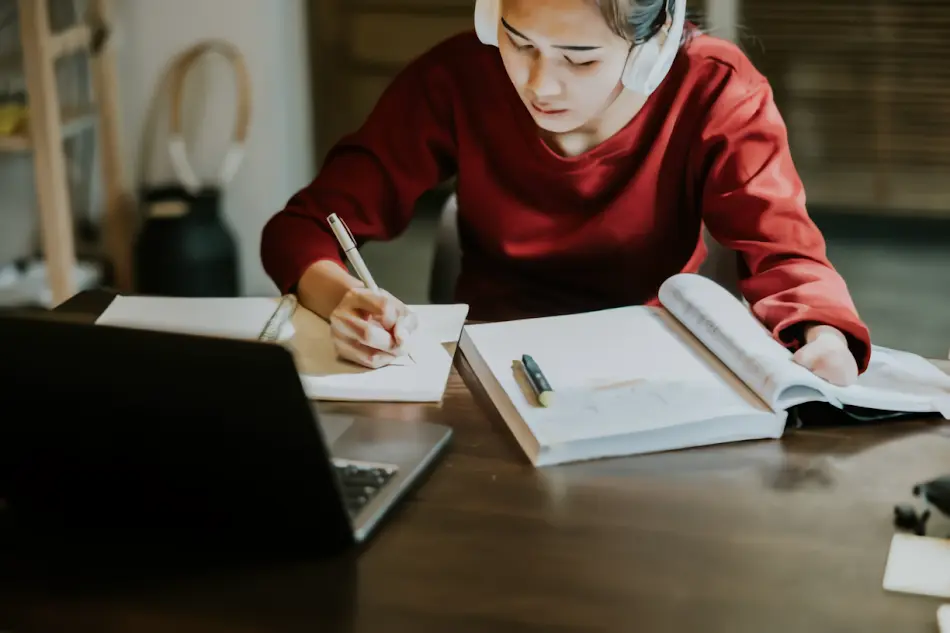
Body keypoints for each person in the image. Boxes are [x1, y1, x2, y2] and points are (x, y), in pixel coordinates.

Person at [260, 0, 871, 387]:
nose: (538, 83)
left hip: (649, 376)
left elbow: (785, 255)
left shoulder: (714, 90)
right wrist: (343, 300)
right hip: (487, 375)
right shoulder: (460, 76)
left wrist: (822, 336)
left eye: (578, 60)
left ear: (651, 52)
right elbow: (305, 226)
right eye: (519, 42)